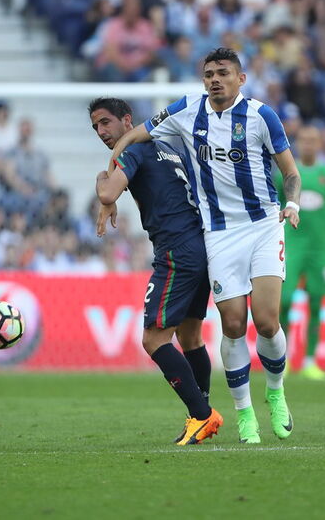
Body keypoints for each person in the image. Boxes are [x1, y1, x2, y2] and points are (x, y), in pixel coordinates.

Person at [105, 47, 302, 444]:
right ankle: (245, 415)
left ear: (240, 79)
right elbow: (138, 133)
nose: (215, 79)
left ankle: (276, 393)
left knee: (266, 321)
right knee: (232, 324)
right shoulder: (186, 111)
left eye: (223, 73)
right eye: (209, 73)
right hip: (219, 233)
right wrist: (113, 157)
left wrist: (292, 203)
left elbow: (291, 173)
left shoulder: (262, 116)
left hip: (264, 224)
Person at [89, 97, 222, 446]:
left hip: (176, 251)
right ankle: (200, 414)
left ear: (126, 121)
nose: (101, 132)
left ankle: (203, 415)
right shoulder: (169, 149)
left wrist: (103, 180)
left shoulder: (134, 151)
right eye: (95, 127)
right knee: (191, 338)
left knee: (153, 340)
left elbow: (107, 191)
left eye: (105, 123)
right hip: (201, 246)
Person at [276, 126, 325, 381]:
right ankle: (284, 359)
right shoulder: (286, 175)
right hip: (292, 244)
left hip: (320, 249)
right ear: (297, 144)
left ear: (320, 144)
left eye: (313, 140)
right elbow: (275, 208)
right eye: (304, 140)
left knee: (317, 303)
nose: (308, 144)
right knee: (284, 301)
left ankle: (310, 360)